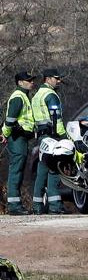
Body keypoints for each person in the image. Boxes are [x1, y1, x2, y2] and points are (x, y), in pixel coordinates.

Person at [31, 68, 67, 214]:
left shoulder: (37, 95)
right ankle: (55, 206)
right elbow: (56, 118)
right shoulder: (51, 95)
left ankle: (37, 206)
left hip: (41, 136)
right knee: (54, 169)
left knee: (42, 170)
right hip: (52, 136)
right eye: (56, 78)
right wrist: (64, 136)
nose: (58, 81)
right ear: (47, 79)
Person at [0, 71, 36, 215]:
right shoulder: (18, 97)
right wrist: (5, 134)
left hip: (21, 138)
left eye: (32, 80)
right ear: (20, 82)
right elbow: (10, 120)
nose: (32, 82)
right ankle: (14, 206)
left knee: (19, 170)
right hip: (17, 138)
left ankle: (15, 204)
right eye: (28, 80)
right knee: (16, 170)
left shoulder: (23, 96)